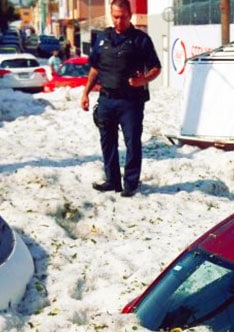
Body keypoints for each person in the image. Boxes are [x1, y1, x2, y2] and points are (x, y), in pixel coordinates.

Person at [81, 0, 161, 198]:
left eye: (123, 17)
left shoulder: (141, 39)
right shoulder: (102, 38)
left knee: (132, 142)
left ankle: (130, 183)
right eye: (115, 16)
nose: (119, 21)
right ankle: (112, 180)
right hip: (106, 99)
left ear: (130, 15)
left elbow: (156, 67)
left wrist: (142, 79)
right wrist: (85, 93)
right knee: (107, 141)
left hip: (131, 102)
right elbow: (94, 69)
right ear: (111, 14)